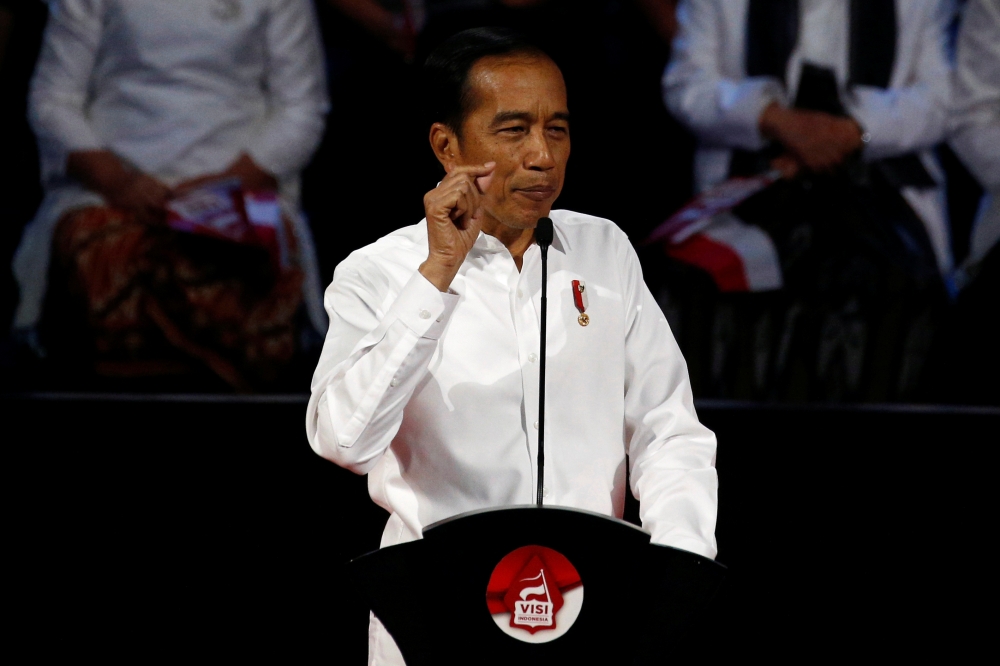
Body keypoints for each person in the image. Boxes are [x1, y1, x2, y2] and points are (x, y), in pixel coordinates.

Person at [305, 27, 717, 665]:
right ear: (447, 145)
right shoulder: (379, 273)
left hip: (591, 609)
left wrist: (680, 569)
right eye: (514, 130)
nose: (543, 157)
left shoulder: (604, 251)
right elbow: (345, 442)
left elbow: (668, 430)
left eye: (557, 129)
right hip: (434, 616)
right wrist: (438, 274)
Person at [12, 0, 329, 389]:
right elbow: (53, 99)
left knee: (254, 256)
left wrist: (230, 182)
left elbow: (302, 106)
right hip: (108, 186)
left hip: (241, 186)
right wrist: (116, 180)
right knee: (97, 247)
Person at [661, 0, 954, 401]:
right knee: (689, 290)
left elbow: (943, 97)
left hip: (879, 193)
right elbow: (687, 84)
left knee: (889, 292)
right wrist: (775, 121)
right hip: (750, 187)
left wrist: (852, 132)